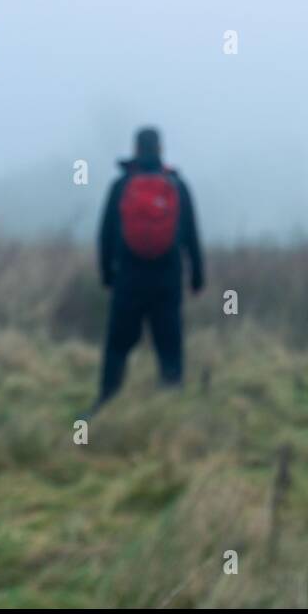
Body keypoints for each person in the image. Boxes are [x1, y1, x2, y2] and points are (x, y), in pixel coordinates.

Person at [86, 127, 204, 417]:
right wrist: (197, 277)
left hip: (129, 279)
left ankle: (106, 405)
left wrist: (107, 276)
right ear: (161, 149)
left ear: (136, 149)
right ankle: (172, 412)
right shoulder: (177, 185)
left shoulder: (121, 186)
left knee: (117, 346)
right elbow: (191, 235)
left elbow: (105, 236)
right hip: (167, 280)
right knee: (169, 346)